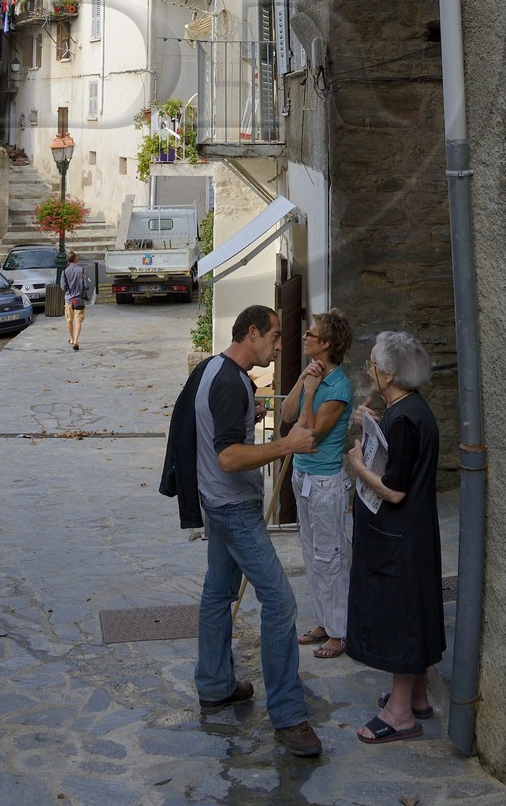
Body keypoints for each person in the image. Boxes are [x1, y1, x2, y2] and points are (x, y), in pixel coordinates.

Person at [192, 304, 323, 759]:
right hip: (233, 507)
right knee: (281, 603)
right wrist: (286, 444)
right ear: (252, 332)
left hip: (218, 501)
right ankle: (288, 716)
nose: (280, 343)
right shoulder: (229, 382)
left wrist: (306, 386)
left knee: (216, 594)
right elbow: (228, 457)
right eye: (274, 335)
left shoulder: (215, 368)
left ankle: (214, 685)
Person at [345, 330, 445, 745]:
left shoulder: (404, 418)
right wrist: (370, 423)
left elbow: (394, 488)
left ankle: (400, 713)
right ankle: (417, 696)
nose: (369, 369)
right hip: (412, 534)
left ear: (387, 373)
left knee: (401, 617)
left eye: (372, 364)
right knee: (413, 610)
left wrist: (356, 464)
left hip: (399, 537)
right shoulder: (409, 409)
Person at [279, 309, 354, 659]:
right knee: (311, 554)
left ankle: (339, 633)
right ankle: (324, 622)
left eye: (311, 335)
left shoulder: (339, 387)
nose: (305, 337)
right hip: (303, 477)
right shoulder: (312, 374)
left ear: (324, 344)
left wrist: (311, 391)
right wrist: (302, 382)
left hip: (325, 483)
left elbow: (308, 433)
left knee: (331, 557)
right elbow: (286, 416)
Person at [60, 251, 91, 350]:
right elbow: (87, 285)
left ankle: (72, 338)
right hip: (79, 299)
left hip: (69, 299)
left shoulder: (64, 272)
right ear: (75, 259)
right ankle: (76, 340)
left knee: (69, 320)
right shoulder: (81, 270)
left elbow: (63, 287)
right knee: (78, 320)